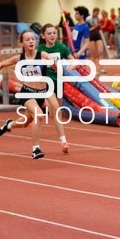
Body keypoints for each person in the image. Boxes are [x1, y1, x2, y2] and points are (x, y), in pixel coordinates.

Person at [0, 30, 58, 159]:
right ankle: (36, 149)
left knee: (24, 123)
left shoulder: (42, 55)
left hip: (40, 94)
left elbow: (54, 64)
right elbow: (1, 64)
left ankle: (8, 125)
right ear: (22, 43)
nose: (31, 41)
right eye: (27, 39)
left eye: (33, 39)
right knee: (39, 115)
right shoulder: (20, 58)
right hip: (27, 92)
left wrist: (54, 64)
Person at [35, 23, 72, 153]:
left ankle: (48, 107)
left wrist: (71, 66)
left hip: (59, 82)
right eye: (49, 33)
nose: (52, 35)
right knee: (57, 110)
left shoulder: (61, 47)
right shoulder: (39, 49)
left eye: (54, 33)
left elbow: (73, 60)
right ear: (43, 36)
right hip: (47, 82)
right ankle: (63, 141)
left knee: (55, 113)